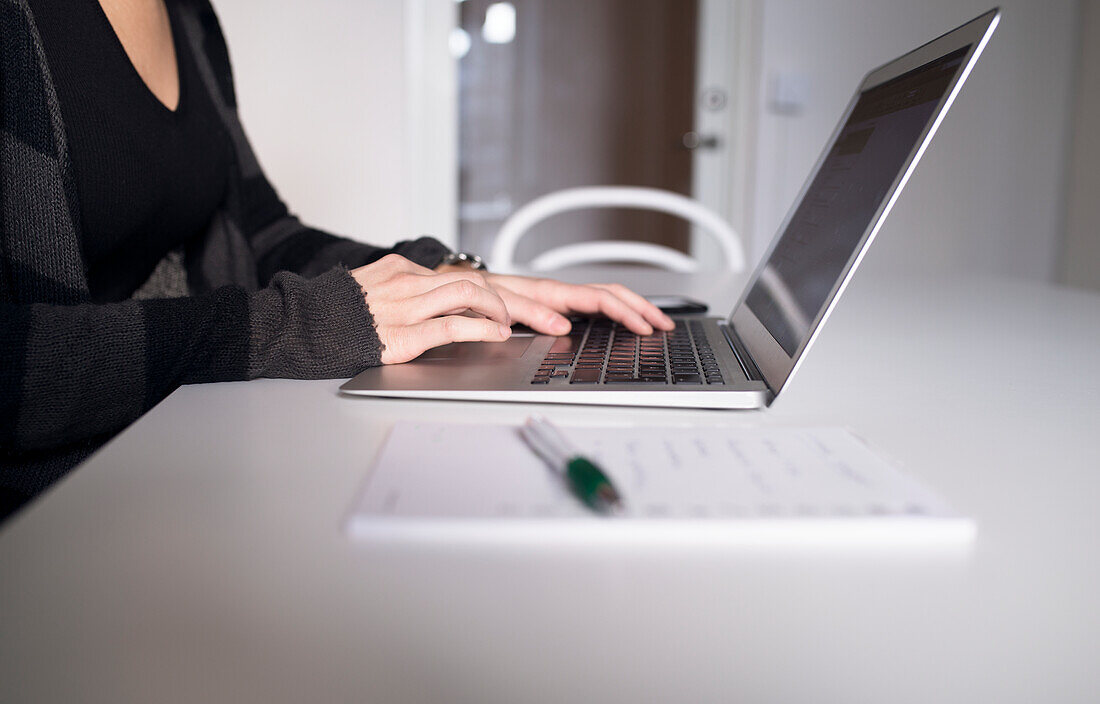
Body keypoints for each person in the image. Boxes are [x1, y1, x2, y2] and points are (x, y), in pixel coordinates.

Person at [0, 0, 674, 519]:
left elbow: (261, 230)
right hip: (61, 519)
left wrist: (441, 276)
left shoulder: (187, 15)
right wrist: (299, 323)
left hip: (174, 454)